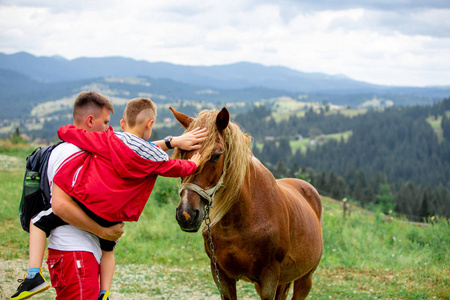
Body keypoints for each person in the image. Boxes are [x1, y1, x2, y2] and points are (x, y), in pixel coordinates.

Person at [12, 93, 206, 300]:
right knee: (109, 248)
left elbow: (94, 139)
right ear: (150, 124)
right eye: (105, 122)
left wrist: (64, 130)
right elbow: (169, 164)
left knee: (39, 220)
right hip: (109, 219)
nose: (107, 126)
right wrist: (193, 163)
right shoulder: (155, 158)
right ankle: (104, 291)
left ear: (123, 123)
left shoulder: (106, 140)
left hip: (89, 207)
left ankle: (33, 274)